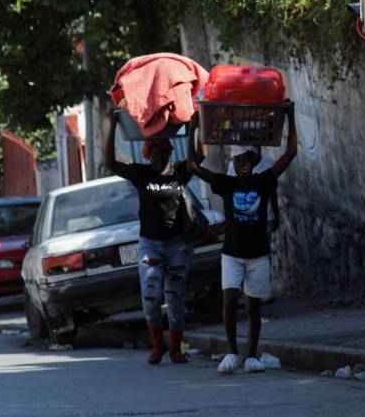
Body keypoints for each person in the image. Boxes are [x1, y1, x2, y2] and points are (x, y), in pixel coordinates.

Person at [187, 108, 297, 374]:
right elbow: (192, 165)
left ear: (253, 160)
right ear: (232, 164)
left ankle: (250, 356)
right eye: (238, 161)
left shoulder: (262, 181)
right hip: (232, 253)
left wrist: (291, 117)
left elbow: (290, 153)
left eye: (246, 159)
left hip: (258, 254)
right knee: (229, 301)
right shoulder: (226, 183)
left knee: (253, 306)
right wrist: (192, 129)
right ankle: (232, 353)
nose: (242, 164)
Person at [105, 109, 193, 365]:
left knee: (175, 298)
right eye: (153, 154)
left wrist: (196, 126)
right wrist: (112, 126)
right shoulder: (141, 174)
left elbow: (200, 156)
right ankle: (158, 346)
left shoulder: (180, 171)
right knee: (151, 295)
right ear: (148, 155)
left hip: (177, 244)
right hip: (150, 245)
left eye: (162, 154)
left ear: (168, 153)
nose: (158, 158)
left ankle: (176, 348)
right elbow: (111, 163)